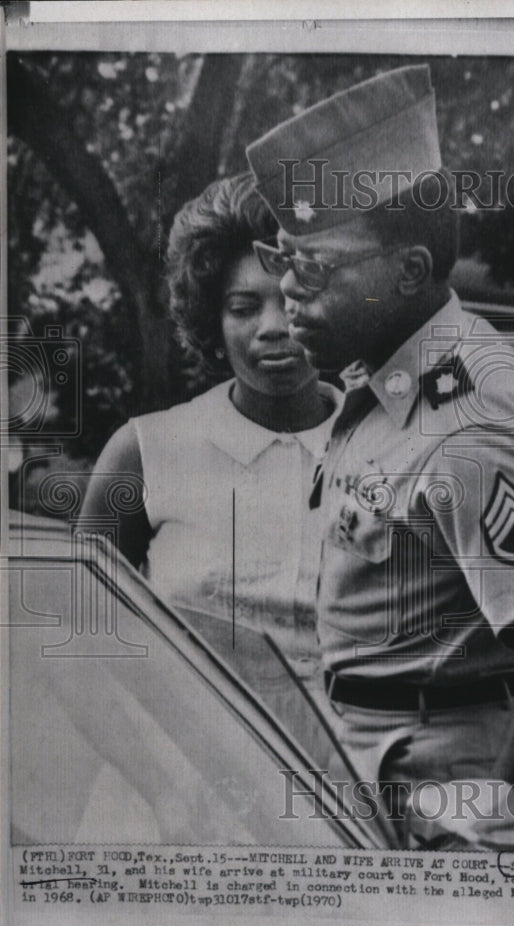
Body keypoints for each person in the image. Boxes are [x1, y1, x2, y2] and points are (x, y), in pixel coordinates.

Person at [245, 65, 514, 849]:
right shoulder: (385, 373)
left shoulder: (463, 427)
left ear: (409, 270)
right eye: (279, 257)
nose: (286, 295)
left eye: (312, 269)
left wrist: (484, 841)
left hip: (450, 784)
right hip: (381, 757)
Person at [78, 173, 342, 757]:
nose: (274, 327)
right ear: (212, 322)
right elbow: (86, 651)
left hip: (348, 811)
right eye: (244, 306)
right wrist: (158, 788)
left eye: (296, 299)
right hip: (175, 798)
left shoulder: (391, 446)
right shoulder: (144, 453)